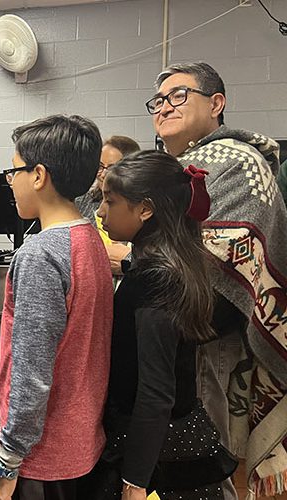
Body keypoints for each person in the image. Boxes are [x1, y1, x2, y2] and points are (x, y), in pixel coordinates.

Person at [149, 61, 287, 498]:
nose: (164, 107)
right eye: (158, 101)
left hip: (212, 336)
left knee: (208, 460)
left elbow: (224, 255)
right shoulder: (167, 169)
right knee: (172, 460)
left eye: (178, 95)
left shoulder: (240, 163)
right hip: (167, 335)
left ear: (216, 103)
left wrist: (135, 252)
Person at [84, 150, 231, 499]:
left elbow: (156, 390)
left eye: (110, 201)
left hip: (158, 447)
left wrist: (135, 480)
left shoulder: (156, 279)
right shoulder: (168, 263)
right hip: (165, 432)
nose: (101, 212)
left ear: (145, 210)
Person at [0, 115, 113, 500]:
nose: (11, 182)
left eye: (14, 171)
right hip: (81, 440)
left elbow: (31, 373)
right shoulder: (89, 237)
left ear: (39, 175)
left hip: (44, 455)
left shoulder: (41, 255)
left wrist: (8, 458)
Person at [76, 136, 140, 276]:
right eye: (100, 166)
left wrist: (129, 260)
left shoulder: (143, 207)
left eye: (112, 168)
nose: (103, 174)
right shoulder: (80, 203)